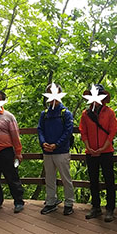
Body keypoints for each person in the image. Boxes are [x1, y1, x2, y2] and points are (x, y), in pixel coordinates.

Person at [79, 84, 117, 222]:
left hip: (106, 152)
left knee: (109, 180)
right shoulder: (85, 114)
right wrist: (89, 147)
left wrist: (103, 148)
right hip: (91, 152)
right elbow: (83, 132)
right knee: (93, 180)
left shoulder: (109, 112)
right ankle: (96, 207)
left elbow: (112, 131)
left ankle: (110, 208)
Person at [37, 84, 75, 215]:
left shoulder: (65, 113)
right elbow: (40, 129)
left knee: (66, 178)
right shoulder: (45, 114)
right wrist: (43, 143)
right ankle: (51, 202)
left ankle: (69, 203)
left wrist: (57, 144)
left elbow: (68, 131)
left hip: (62, 151)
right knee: (49, 178)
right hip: (47, 151)